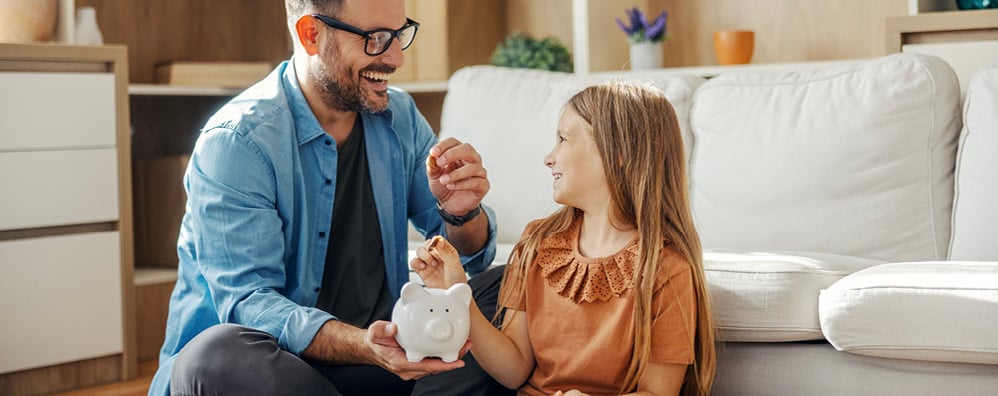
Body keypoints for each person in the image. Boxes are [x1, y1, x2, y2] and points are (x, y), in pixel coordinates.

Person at [148, 0, 499, 395]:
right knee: (213, 354)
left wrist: (461, 213)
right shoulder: (238, 142)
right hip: (276, 370)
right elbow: (250, 304)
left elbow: (469, 257)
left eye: (399, 35)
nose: (397, 57)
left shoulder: (399, 116)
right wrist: (366, 346)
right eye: (376, 39)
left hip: (374, 366)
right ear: (311, 34)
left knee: (507, 288)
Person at [412, 81, 717, 396]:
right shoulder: (537, 242)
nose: (549, 157)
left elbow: (658, 392)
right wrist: (457, 293)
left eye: (563, 139)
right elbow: (514, 369)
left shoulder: (667, 268)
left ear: (619, 153)